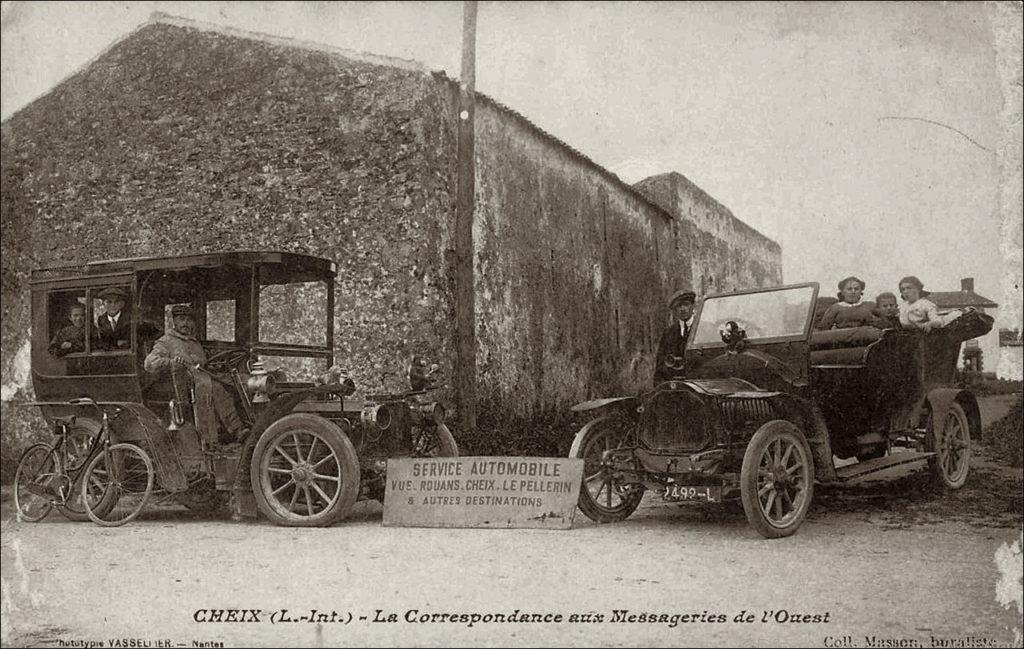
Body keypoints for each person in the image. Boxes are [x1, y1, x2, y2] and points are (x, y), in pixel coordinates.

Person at [144, 304, 248, 445]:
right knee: (215, 388)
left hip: (203, 377)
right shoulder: (166, 341)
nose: (185, 323)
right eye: (181, 319)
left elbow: (203, 363)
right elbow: (149, 363)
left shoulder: (194, 342)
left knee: (243, 382)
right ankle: (236, 430)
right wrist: (171, 362)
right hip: (184, 387)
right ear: (174, 321)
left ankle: (250, 423)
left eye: (188, 320)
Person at [654, 288, 696, 384]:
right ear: (675, 309)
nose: (682, 309)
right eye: (679, 306)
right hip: (674, 387)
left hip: (699, 385)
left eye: (686, 304)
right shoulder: (668, 333)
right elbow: (660, 365)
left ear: (693, 306)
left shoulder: (704, 328)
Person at [816, 276, 880, 330]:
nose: (853, 292)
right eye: (849, 289)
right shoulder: (834, 308)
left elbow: (882, 323)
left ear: (861, 291)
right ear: (843, 292)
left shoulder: (870, 305)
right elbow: (824, 328)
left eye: (856, 289)